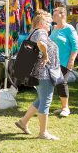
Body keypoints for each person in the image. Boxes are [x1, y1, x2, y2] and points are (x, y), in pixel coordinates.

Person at [15, 11, 60, 140]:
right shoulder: (40, 32)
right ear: (41, 23)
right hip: (44, 72)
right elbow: (41, 44)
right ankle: (43, 133)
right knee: (46, 101)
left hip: (40, 72)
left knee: (41, 99)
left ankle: (23, 122)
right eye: (48, 23)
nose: (50, 26)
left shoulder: (35, 31)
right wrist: (45, 55)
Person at [50, 7, 78, 117]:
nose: (53, 15)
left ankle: (65, 108)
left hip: (64, 61)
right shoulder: (54, 28)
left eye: (55, 13)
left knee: (62, 83)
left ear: (62, 15)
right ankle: (63, 106)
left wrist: (71, 60)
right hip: (53, 61)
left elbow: (76, 46)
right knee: (57, 84)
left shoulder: (69, 29)